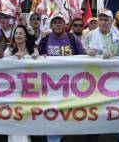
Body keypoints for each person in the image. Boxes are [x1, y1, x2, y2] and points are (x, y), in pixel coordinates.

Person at [37, 13, 84, 142]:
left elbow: (83, 59)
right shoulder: (45, 39)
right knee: (52, 114)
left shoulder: (74, 39)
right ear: (51, 25)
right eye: (55, 22)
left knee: (69, 114)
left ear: (65, 24)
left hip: (71, 87)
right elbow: (38, 59)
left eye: (60, 22)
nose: (58, 24)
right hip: (50, 86)